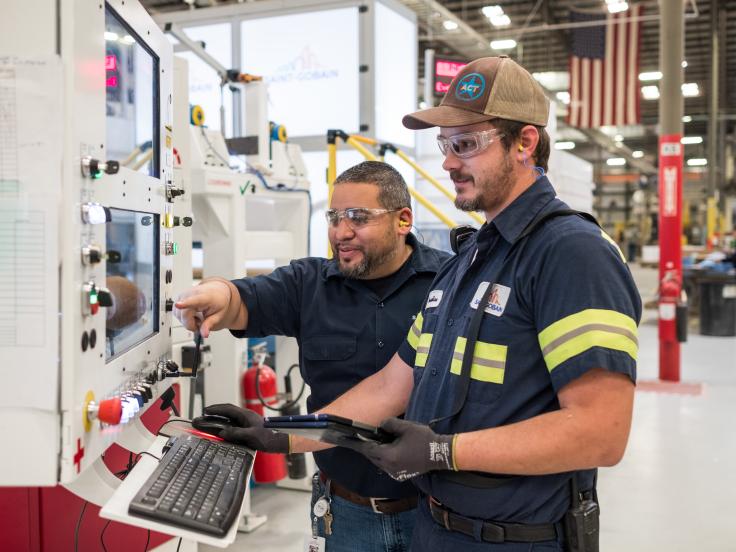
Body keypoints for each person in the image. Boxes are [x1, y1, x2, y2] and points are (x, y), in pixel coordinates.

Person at [238, 55, 641, 551]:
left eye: (467, 143)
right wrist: (279, 433)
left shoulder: (571, 254)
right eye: (445, 145)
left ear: (525, 143)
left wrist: (440, 451)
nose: (449, 161)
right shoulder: (468, 260)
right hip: (436, 530)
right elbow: (390, 385)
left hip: (513, 541)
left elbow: (602, 431)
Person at [174, 160, 450, 552]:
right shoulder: (308, 285)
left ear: (403, 220)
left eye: (358, 217)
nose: (341, 232)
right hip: (346, 511)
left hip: (435, 512)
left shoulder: (449, 283)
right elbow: (241, 299)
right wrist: (215, 293)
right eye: (334, 217)